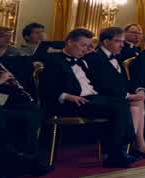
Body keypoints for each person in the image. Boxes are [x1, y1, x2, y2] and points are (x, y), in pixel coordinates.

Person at [37, 28, 138, 168]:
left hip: (92, 98)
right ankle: (117, 153)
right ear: (70, 42)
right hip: (71, 102)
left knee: (121, 103)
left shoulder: (84, 61)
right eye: (83, 45)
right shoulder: (54, 61)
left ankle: (118, 152)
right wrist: (67, 96)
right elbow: (47, 88)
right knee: (117, 107)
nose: (85, 50)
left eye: (88, 46)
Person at [87, 26, 145, 158]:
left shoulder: (116, 57)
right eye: (118, 41)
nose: (122, 45)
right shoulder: (95, 58)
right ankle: (128, 147)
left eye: (122, 41)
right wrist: (127, 95)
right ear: (105, 42)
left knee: (139, 101)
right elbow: (102, 85)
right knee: (134, 105)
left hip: (117, 95)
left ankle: (136, 145)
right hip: (104, 97)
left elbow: (125, 81)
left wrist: (140, 89)